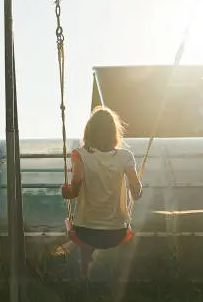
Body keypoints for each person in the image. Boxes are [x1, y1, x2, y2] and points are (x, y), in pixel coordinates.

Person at [60, 106, 142, 280]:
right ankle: (107, 281)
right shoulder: (126, 157)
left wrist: (66, 191)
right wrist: (135, 192)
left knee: (70, 224)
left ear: (89, 131)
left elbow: (74, 191)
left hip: (85, 232)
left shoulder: (80, 155)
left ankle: (84, 278)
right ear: (114, 133)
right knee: (103, 239)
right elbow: (137, 192)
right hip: (117, 232)